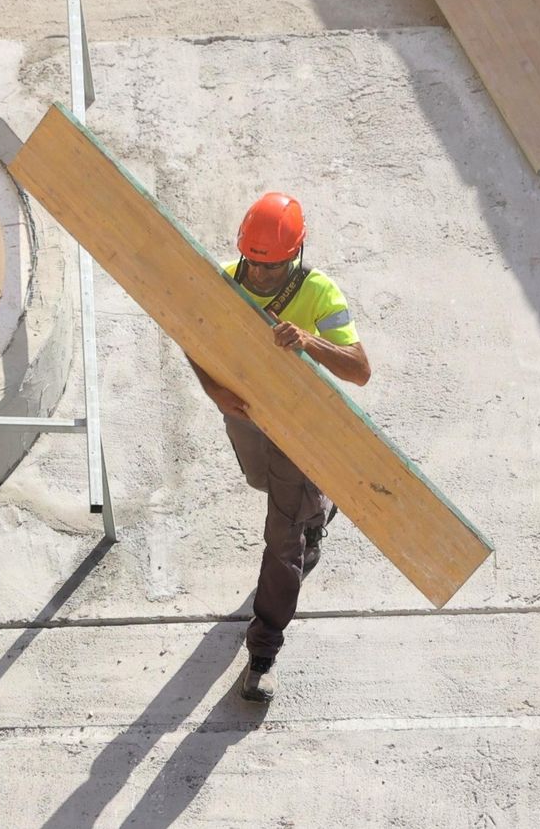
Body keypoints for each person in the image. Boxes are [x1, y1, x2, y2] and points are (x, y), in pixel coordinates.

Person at [188, 192, 371, 703]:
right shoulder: (224, 280)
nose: (262, 277)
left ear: (296, 254)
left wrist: (311, 343)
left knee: (281, 538)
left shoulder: (320, 294)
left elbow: (359, 369)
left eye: (274, 267)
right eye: (255, 264)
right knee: (261, 482)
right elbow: (189, 332)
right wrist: (212, 388)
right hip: (245, 416)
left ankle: (263, 652)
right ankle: (316, 513)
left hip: (298, 422)